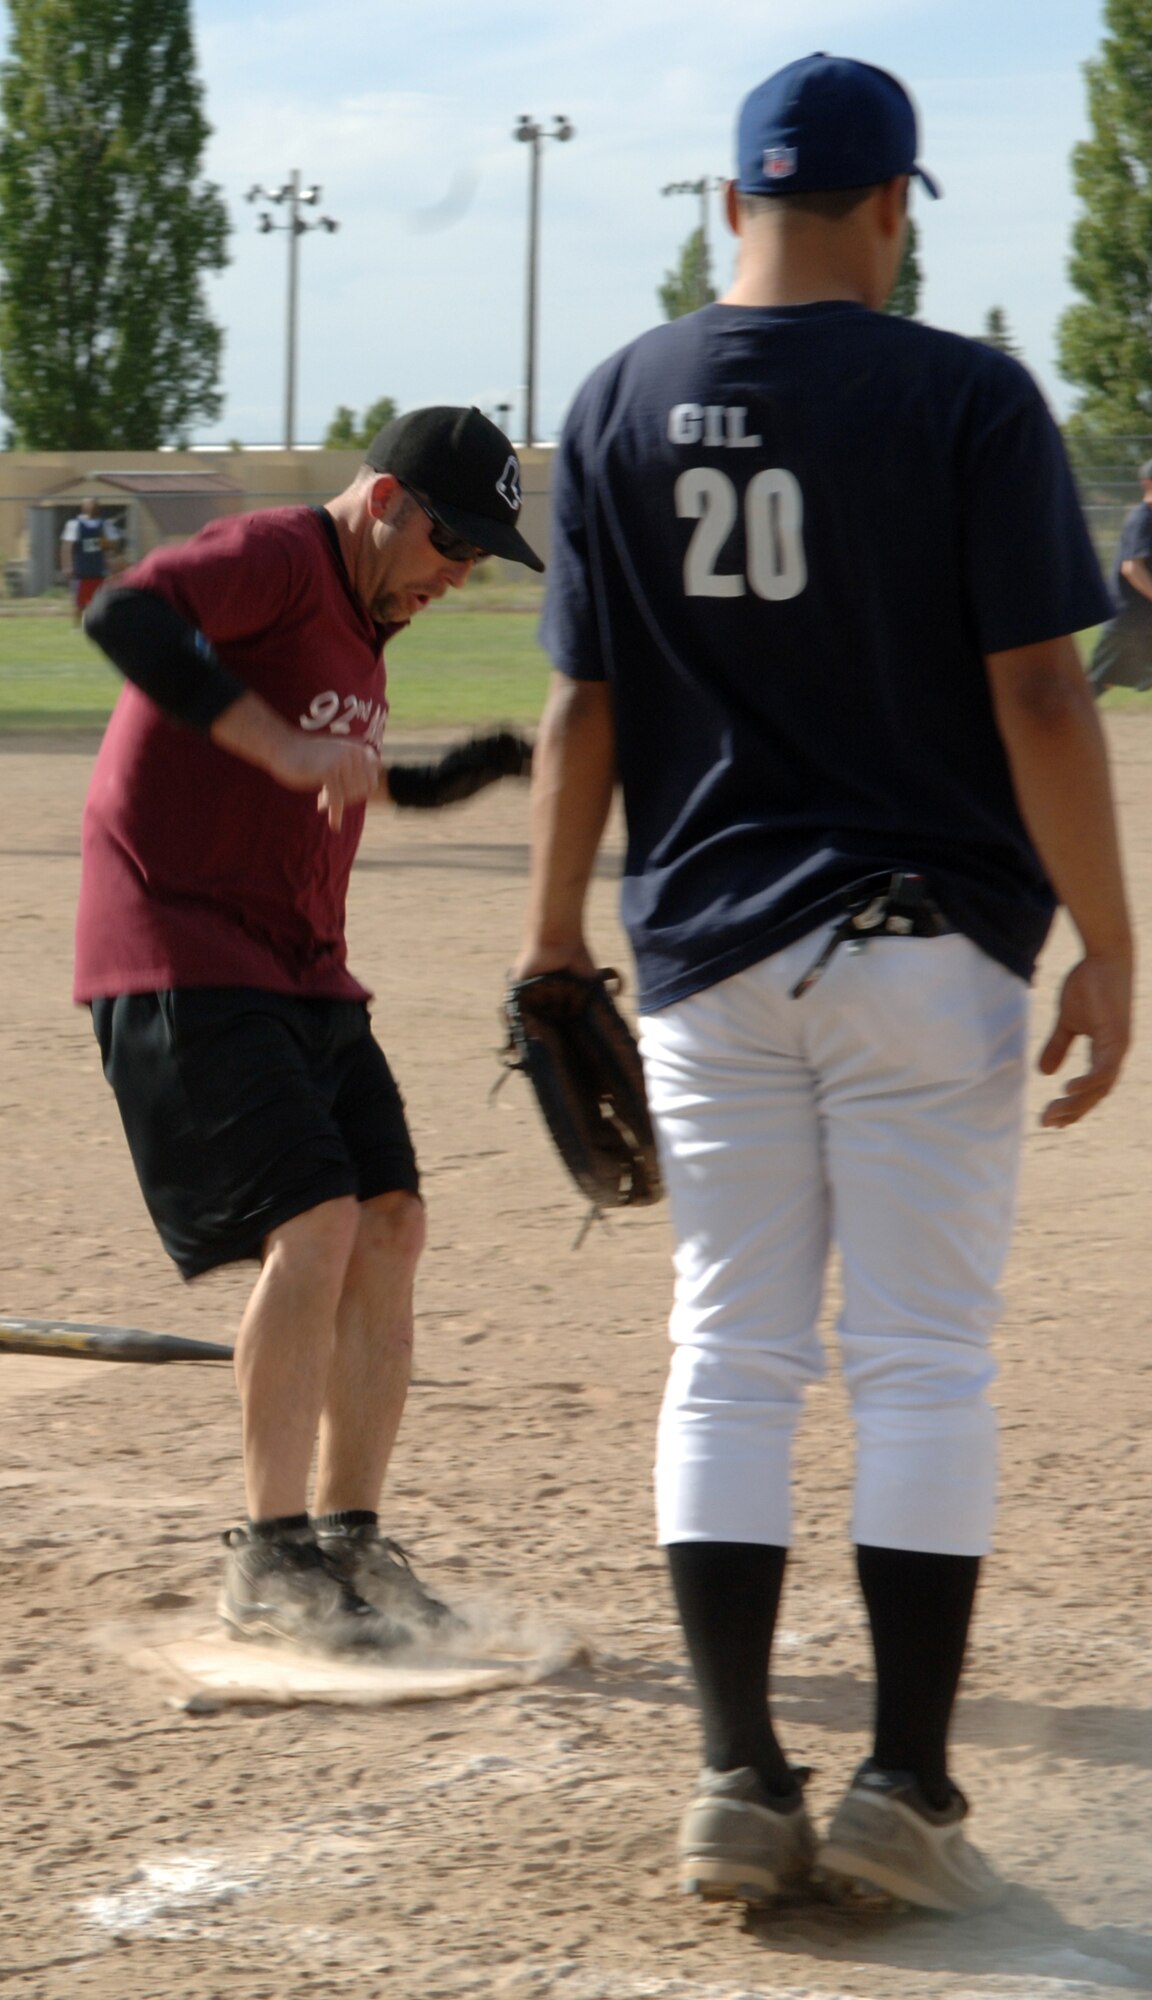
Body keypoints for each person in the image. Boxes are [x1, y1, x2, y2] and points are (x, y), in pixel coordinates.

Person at [514, 53, 1133, 1914]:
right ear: (892, 211)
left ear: (726, 206)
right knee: (922, 1359)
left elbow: (579, 710)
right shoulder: (964, 395)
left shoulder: (617, 396)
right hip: (919, 944)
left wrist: (549, 937)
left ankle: (727, 1774)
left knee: (731, 1351)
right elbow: (1039, 695)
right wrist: (1111, 938)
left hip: (704, 950)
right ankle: (900, 1783)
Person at [74, 407, 543, 1652]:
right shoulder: (283, 555)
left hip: (302, 972)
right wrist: (269, 735)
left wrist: (472, 768)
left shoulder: (366, 625)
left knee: (391, 1222)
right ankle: (267, 1555)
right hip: (182, 948)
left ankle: (345, 1540)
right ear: (383, 497)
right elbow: (125, 616)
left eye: (482, 552)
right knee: (317, 1219)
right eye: (452, 539)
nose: (462, 570)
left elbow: (334, 777)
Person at [1087, 460, 1152, 695]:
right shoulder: (1143, 519)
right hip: (1129, 621)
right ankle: (1050, 726)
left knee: (1103, 680)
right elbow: (1132, 568)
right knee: (1098, 682)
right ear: (1148, 484)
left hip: (1142, 622)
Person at [61, 498, 122, 623]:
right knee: (79, 602)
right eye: (88, 505)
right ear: (83, 507)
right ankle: (77, 626)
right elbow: (67, 547)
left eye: (94, 505)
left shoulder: (104, 524)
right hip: (81, 569)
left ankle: (98, 622)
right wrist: (67, 566)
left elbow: (113, 545)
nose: (91, 507)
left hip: (99, 568)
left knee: (101, 599)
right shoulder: (75, 524)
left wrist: (111, 558)